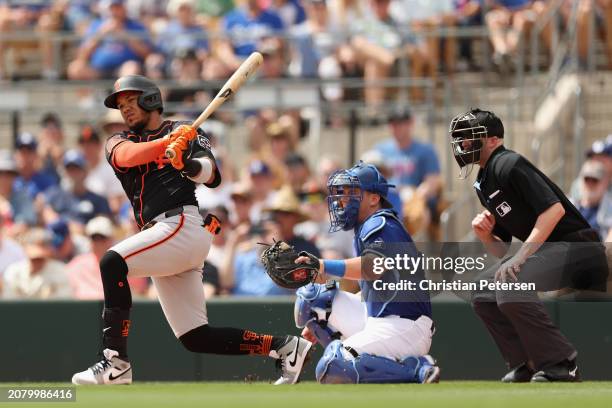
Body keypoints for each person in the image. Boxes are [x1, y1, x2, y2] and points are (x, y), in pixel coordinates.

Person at [71, 74, 311, 386]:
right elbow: (125, 157)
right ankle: (284, 347)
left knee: (111, 261)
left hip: (180, 225)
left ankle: (116, 361)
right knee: (197, 337)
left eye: (131, 101)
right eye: (121, 105)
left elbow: (211, 174)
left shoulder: (184, 131)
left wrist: (186, 162)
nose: (125, 110)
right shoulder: (120, 140)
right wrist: (165, 146)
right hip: (163, 239)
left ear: (150, 100)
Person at [449, 108, 609, 382]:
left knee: (511, 284)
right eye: (461, 139)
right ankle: (528, 362)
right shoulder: (484, 183)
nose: (463, 144)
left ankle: (562, 363)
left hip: (581, 250)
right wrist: (487, 235)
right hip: (553, 253)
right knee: (483, 289)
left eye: (470, 137)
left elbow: (554, 210)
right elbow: (501, 250)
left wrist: (521, 257)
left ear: (493, 139)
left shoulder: (509, 163)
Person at [293, 162, 440, 384]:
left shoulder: (381, 223)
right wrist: (322, 323)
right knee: (313, 299)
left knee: (332, 365)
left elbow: (374, 267)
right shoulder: (365, 227)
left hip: (405, 327)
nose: (343, 199)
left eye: (352, 193)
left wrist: (323, 265)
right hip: (380, 319)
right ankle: (354, 354)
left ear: (373, 198)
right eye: (342, 193)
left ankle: (417, 369)